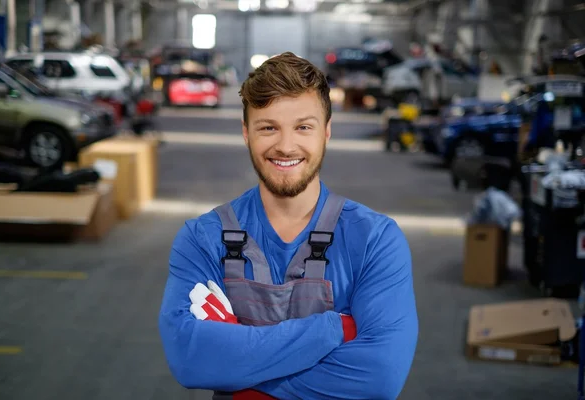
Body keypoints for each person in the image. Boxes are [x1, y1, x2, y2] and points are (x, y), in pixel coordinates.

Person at [158, 52, 419, 399]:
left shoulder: (375, 240)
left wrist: (243, 379)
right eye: (268, 127)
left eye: (303, 127)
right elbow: (190, 359)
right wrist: (330, 330)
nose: (285, 145)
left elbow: (379, 377)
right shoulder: (203, 239)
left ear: (326, 132)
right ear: (246, 133)